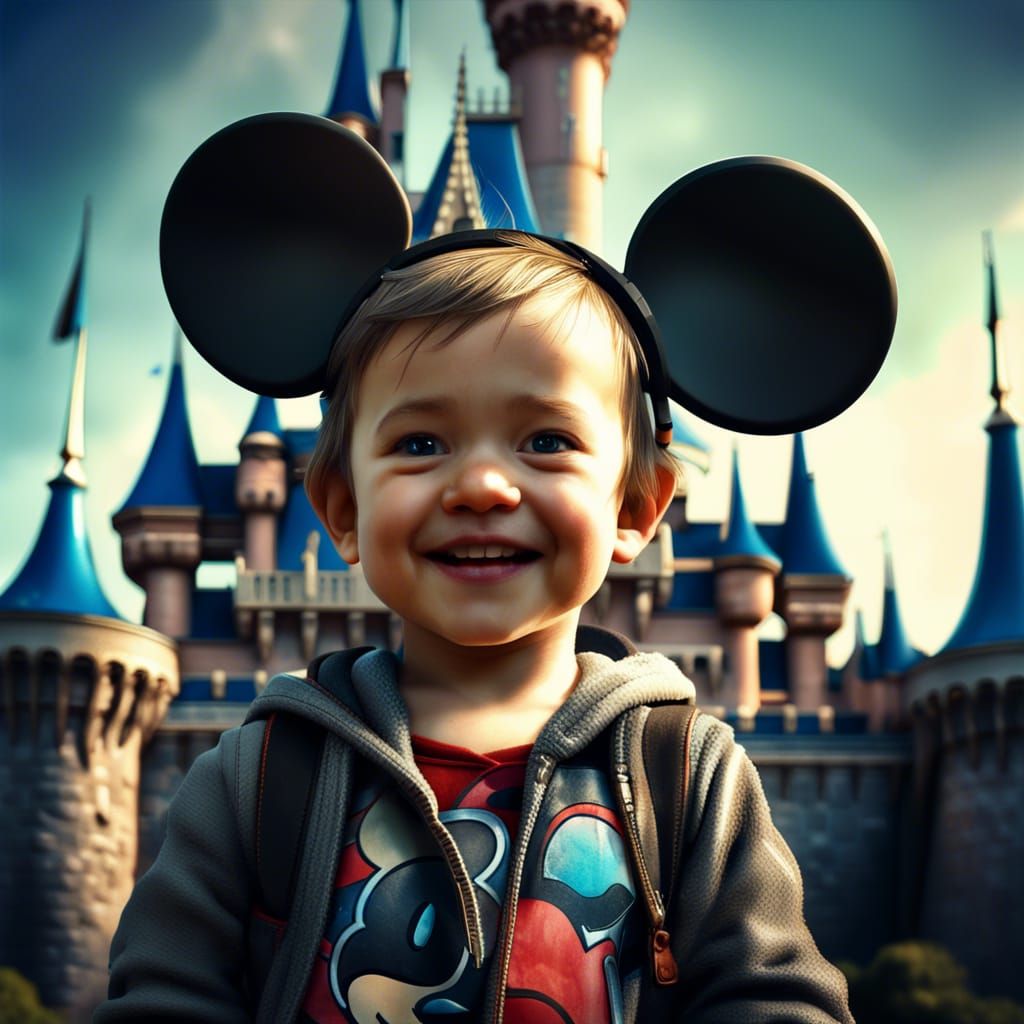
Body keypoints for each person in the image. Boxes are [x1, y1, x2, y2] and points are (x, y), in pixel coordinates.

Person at [95, 233, 854, 1023]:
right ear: (342, 510)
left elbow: (774, 1001)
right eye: (420, 443)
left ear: (635, 507)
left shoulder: (687, 776)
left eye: (547, 441)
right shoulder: (256, 778)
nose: (483, 485)